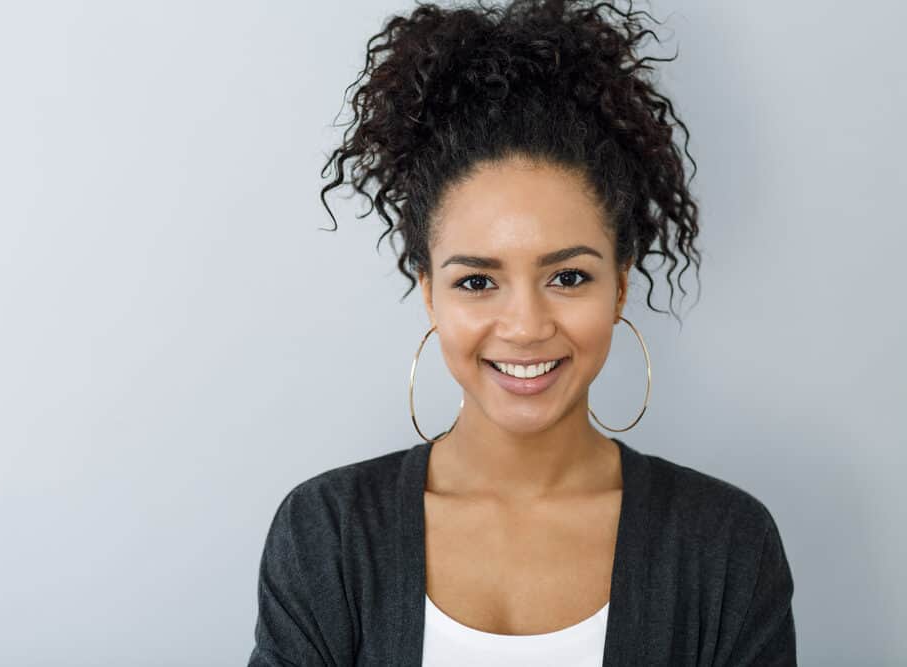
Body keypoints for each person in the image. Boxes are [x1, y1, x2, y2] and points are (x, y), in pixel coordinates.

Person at [249, 0, 797, 664]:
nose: (526, 326)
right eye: (477, 281)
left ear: (620, 284)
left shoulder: (726, 545)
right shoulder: (325, 535)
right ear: (429, 294)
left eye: (567, 277)